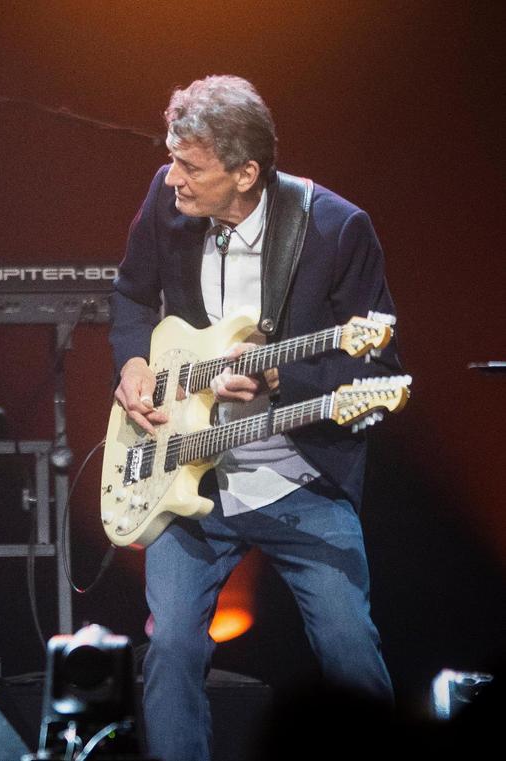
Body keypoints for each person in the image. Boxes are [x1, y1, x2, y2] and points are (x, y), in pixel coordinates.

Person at [109, 75, 400, 761]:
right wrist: (131, 366)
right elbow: (129, 293)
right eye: (172, 158)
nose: (171, 177)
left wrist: (279, 374)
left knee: (350, 651)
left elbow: (379, 371)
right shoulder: (165, 197)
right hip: (191, 479)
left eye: (191, 166)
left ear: (247, 172)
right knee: (172, 648)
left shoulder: (336, 227)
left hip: (297, 478)